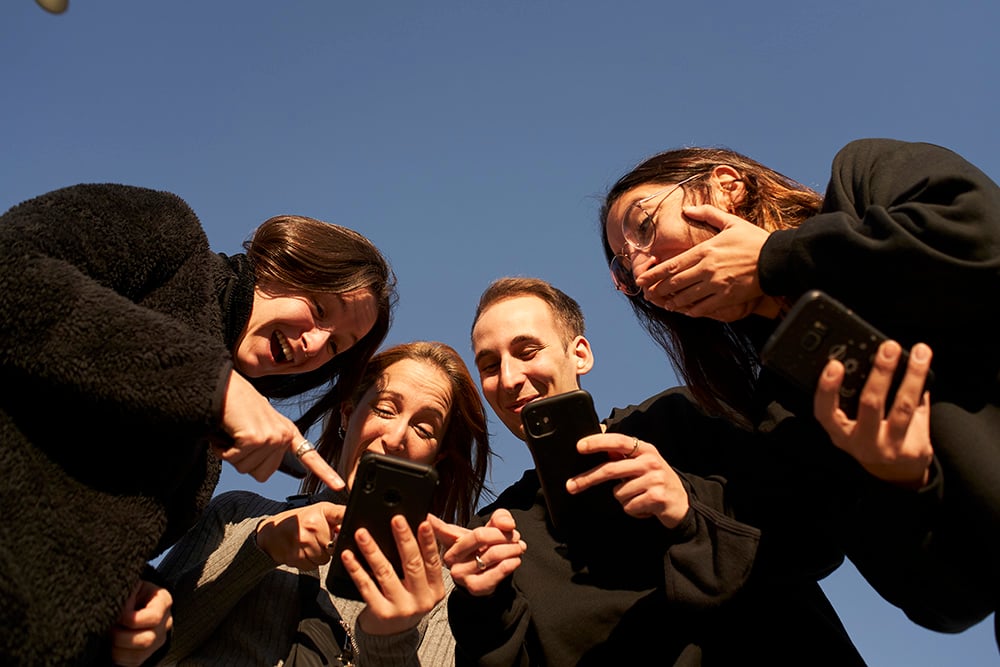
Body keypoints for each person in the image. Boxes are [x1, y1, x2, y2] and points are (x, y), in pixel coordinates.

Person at [599, 138, 1000, 643]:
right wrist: (901, 480)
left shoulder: (865, 180)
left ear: (727, 186)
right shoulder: (783, 417)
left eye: (645, 224)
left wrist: (777, 258)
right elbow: (946, 604)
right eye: (622, 268)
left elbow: (984, 240)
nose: (641, 269)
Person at [0, 182, 396, 665]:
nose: (314, 345)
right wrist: (212, 385)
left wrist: (146, 602)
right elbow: (11, 270)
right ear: (284, 261)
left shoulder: (206, 460)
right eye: (318, 310)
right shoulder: (169, 232)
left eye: (336, 347)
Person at [435, 276, 868, 665]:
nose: (509, 378)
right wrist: (484, 603)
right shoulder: (498, 530)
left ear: (580, 354)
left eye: (527, 351)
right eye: (489, 365)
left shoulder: (683, 419)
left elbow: (816, 541)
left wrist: (688, 506)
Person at [154, 340, 492, 665]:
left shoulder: (439, 589)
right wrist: (261, 547)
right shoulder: (237, 515)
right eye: (385, 409)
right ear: (347, 414)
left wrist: (390, 637)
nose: (396, 438)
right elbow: (145, 650)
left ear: (436, 459)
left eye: (424, 428)